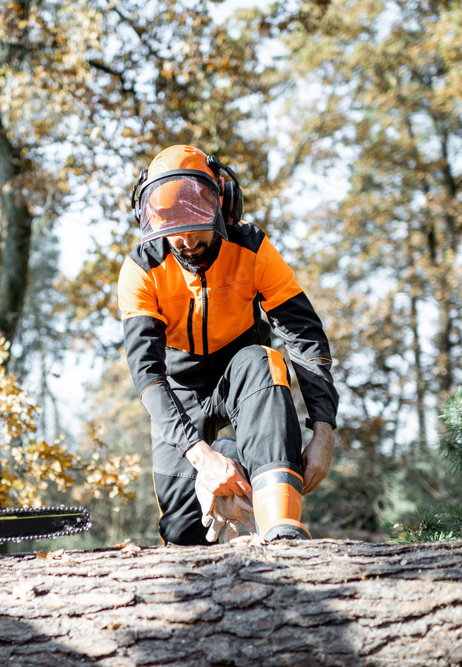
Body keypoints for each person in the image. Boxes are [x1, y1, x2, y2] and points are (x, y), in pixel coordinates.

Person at [117, 145, 339, 544]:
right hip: (178, 388)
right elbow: (148, 377)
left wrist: (324, 431)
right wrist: (203, 458)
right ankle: (223, 461)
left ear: (223, 203)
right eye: (172, 229)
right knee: (183, 531)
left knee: (263, 362)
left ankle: (281, 532)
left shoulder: (253, 249)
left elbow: (304, 338)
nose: (186, 241)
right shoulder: (141, 270)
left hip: (241, 371)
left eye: (195, 224)